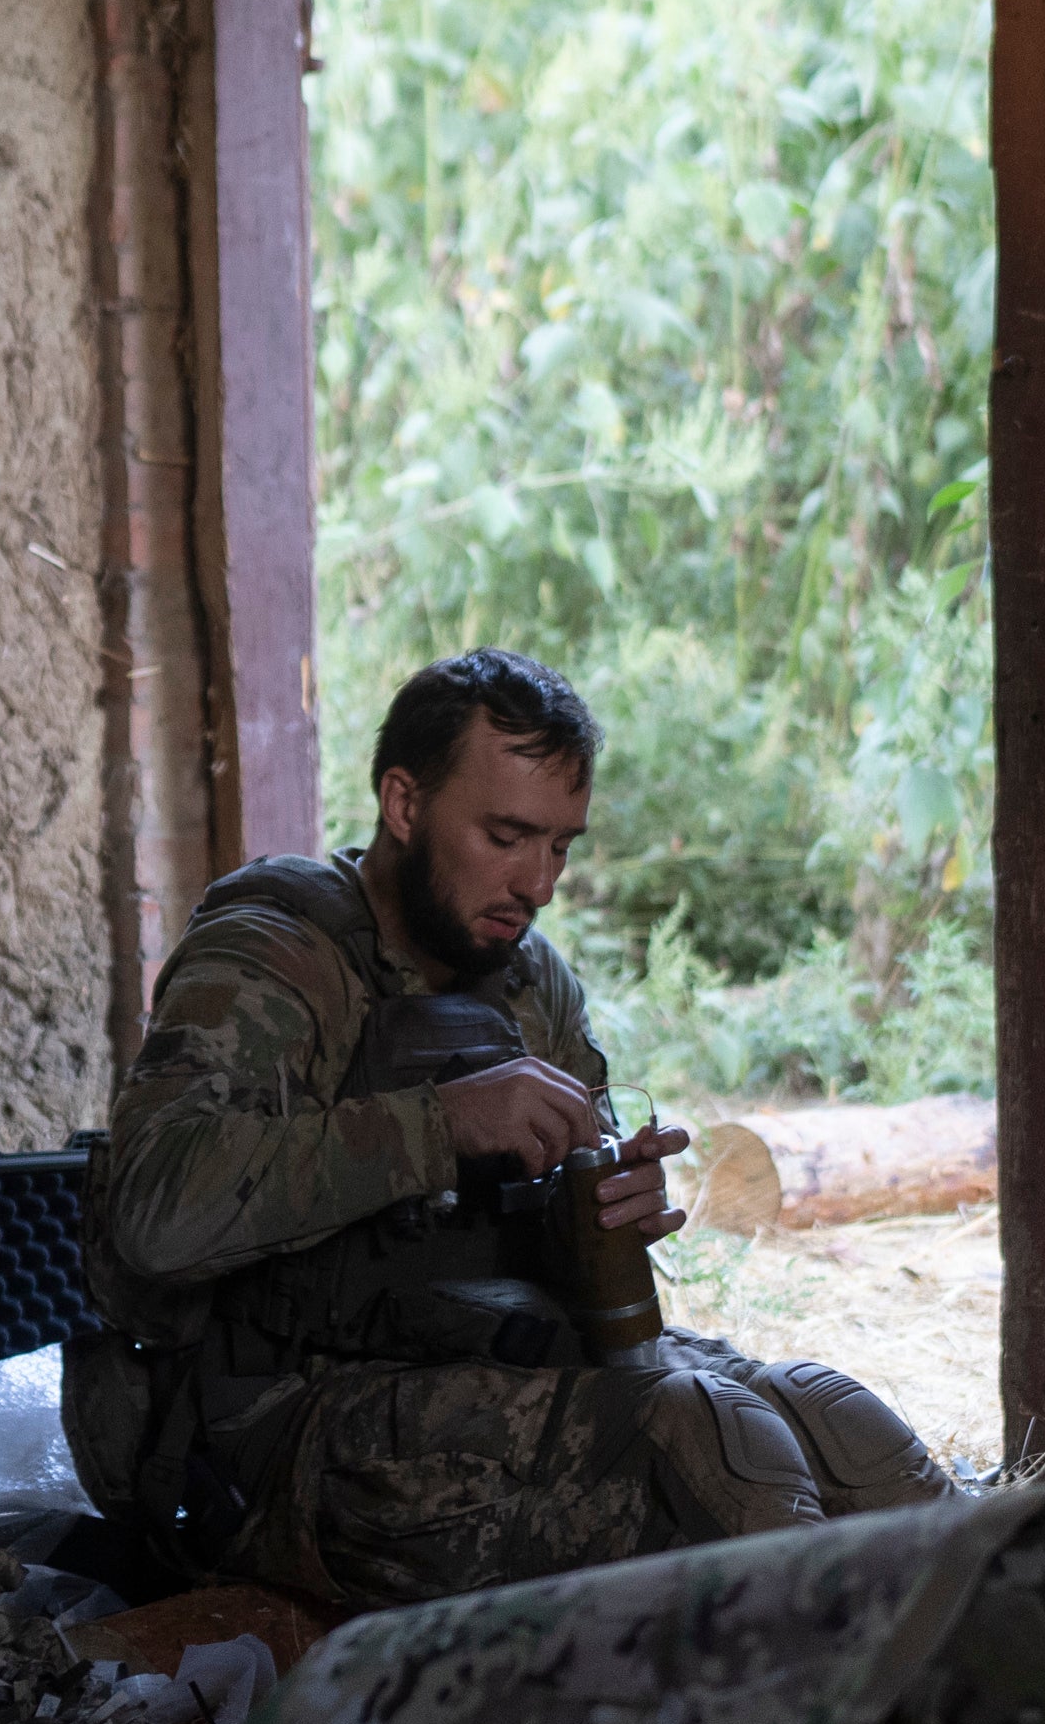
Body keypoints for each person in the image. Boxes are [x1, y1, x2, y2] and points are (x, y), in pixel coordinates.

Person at [69, 648, 949, 1615]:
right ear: (404, 806)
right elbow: (156, 1211)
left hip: (486, 1366)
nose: (539, 882)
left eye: (562, 846)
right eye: (505, 835)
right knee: (712, 1446)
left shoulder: (530, 981)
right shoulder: (279, 951)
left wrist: (611, 1198)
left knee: (836, 1425)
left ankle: (1001, 1687)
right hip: (275, 1434)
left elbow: (575, 1218)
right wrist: (439, 1126)